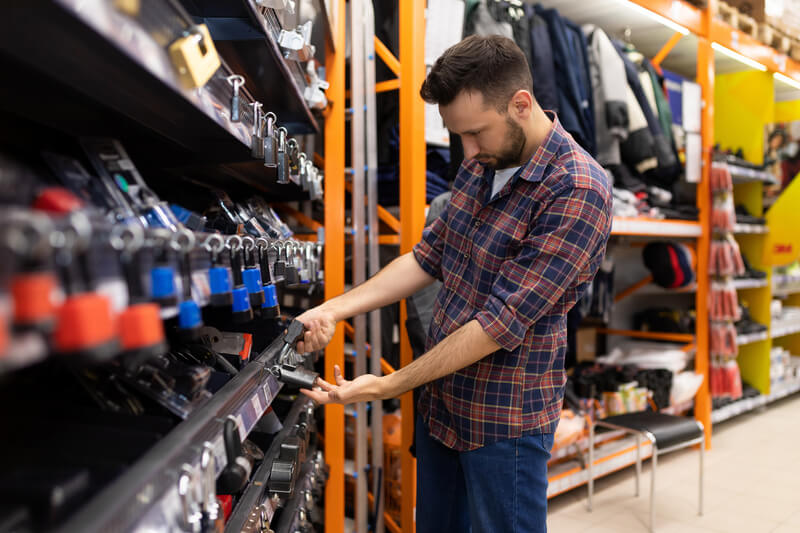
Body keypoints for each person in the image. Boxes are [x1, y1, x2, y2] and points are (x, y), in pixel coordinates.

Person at [297, 34, 612, 533]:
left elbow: (497, 324)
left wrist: (387, 385)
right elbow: (428, 258)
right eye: (458, 135)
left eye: (476, 133)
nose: (467, 150)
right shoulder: (481, 161)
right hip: (441, 406)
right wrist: (333, 309)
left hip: (503, 424)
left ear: (521, 104)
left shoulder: (577, 190)